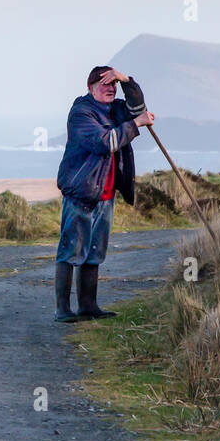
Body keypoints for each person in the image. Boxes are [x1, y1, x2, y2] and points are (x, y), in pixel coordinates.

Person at [54, 66, 153, 321]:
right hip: (82, 192)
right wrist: (135, 124)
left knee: (94, 252)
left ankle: (88, 307)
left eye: (113, 85)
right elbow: (104, 142)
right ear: (90, 88)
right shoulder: (81, 113)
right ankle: (62, 310)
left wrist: (127, 80)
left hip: (106, 194)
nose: (110, 89)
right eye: (104, 84)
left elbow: (137, 107)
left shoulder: (115, 109)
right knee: (71, 250)